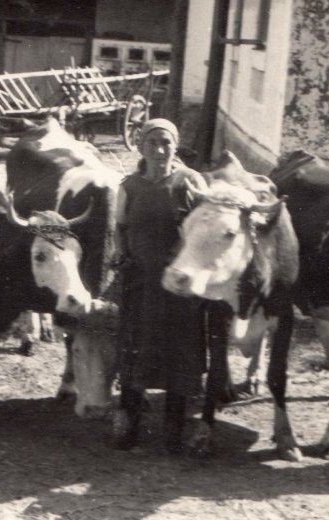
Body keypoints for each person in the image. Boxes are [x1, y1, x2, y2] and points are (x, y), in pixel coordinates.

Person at [112, 118, 209, 454]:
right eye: (152, 142)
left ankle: (172, 430)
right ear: (140, 146)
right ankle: (129, 424)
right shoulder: (129, 187)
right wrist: (120, 255)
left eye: (166, 142)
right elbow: (120, 227)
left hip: (179, 287)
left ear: (176, 145)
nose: (159, 150)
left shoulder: (192, 182)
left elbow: (206, 230)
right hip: (139, 284)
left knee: (179, 355)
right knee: (134, 352)